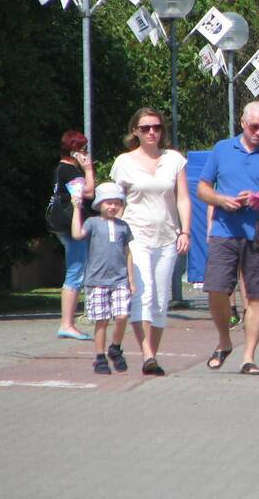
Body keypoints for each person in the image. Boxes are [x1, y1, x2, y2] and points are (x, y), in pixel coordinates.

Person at [197, 101, 259, 374]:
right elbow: (203, 188)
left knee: (257, 296)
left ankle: (248, 356)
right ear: (242, 122)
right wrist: (220, 199)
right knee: (216, 289)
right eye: (254, 126)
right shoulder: (222, 149)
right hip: (224, 231)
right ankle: (225, 341)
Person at [110, 108, 190, 376]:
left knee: (160, 298)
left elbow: (182, 198)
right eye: (145, 128)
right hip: (136, 236)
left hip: (167, 236)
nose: (151, 132)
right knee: (143, 294)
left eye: (156, 127)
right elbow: (116, 202)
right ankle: (146, 354)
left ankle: (151, 355)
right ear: (135, 131)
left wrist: (185, 231)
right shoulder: (124, 162)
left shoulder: (174, 160)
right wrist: (114, 236)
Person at [70, 183, 135, 375]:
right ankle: (99, 357)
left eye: (116, 203)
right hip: (97, 280)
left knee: (122, 315)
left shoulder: (124, 227)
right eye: (108, 203)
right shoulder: (93, 223)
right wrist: (76, 209)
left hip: (120, 279)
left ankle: (115, 347)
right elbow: (76, 234)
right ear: (100, 204)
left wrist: (131, 280)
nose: (112, 207)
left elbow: (128, 253)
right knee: (102, 320)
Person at [53, 130, 96, 340]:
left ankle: (67, 323)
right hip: (73, 226)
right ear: (74, 151)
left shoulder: (63, 169)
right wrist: (88, 169)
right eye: (83, 149)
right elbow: (87, 193)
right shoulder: (69, 170)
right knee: (76, 272)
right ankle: (67, 324)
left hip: (66, 225)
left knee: (76, 270)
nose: (86, 153)